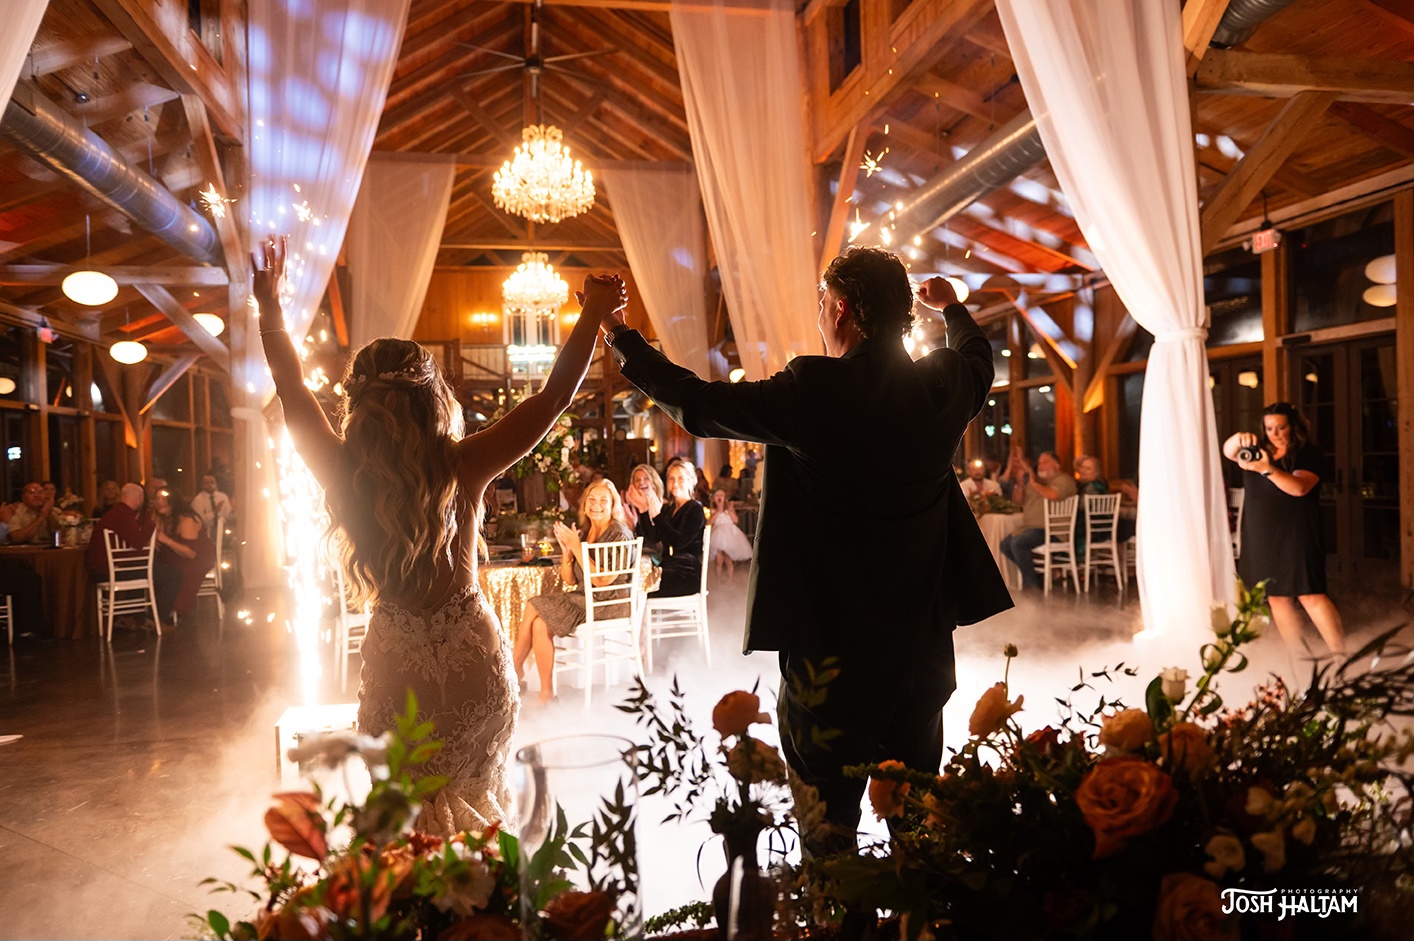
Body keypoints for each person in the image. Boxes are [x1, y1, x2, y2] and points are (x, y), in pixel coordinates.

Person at [600, 247, 1011, 855]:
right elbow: (979, 359)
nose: (821, 317)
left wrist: (619, 335)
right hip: (919, 652)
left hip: (829, 656)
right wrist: (952, 309)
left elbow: (702, 405)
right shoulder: (942, 383)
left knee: (828, 836)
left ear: (841, 309)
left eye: (823, 304)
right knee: (920, 836)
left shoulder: (815, 389)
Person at [255, 235, 624, 835]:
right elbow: (555, 396)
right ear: (434, 398)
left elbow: (291, 389)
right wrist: (593, 315)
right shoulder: (463, 464)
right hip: (473, 660)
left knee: (409, 835)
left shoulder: (341, 469)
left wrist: (269, 307)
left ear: (357, 404)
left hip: (395, 669)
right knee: (483, 824)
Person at [1223, 402, 1346, 657]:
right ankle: (1298, 657)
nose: (1275, 434)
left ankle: (1340, 655)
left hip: (1296, 534)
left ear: (1293, 427)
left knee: (1310, 594)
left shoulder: (1308, 453)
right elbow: (1228, 451)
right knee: (1276, 596)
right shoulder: (1257, 451)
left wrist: (1267, 469)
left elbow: (1299, 488)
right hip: (1261, 534)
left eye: (1281, 428)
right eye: (1269, 428)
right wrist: (1238, 439)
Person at [514, 479, 635, 704]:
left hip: (609, 602)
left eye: (603, 500)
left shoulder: (619, 534)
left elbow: (602, 580)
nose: (596, 504)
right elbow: (570, 580)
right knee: (539, 624)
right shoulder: (587, 532)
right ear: (585, 505)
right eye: (592, 499)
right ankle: (546, 694)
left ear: (613, 506)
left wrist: (577, 546)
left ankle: (515, 670)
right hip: (585, 599)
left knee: (532, 604)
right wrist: (568, 554)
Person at [999, 450, 1078, 590]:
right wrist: (1020, 485)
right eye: (1039, 463)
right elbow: (1018, 502)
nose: (1040, 466)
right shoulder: (1038, 482)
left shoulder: (1064, 480)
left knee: (1018, 543)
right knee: (1005, 545)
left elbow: (1053, 495)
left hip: (1053, 531)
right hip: (1032, 528)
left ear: (1057, 465)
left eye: (1045, 463)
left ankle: (1031, 585)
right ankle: (1036, 577)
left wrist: (1032, 482)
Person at [636, 457, 705, 597]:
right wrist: (643, 510)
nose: (675, 483)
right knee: (633, 579)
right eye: (671, 479)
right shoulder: (669, 509)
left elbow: (679, 542)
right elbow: (653, 538)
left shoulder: (694, 509)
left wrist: (657, 516)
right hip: (668, 566)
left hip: (686, 572)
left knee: (638, 586)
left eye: (680, 478)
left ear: (690, 481)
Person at [151, 489, 217, 626]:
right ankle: (155, 612)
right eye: (157, 498)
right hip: (176, 554)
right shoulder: (162, 519)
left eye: (164, 498)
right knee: (157, 567)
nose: (160, 502)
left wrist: (165, 540)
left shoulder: (186, 520)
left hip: (198, 558)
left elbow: (190, 553)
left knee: (175, 572)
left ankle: (167, 612)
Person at [87, 483, 156, 577]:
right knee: (167, 573)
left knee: (155, 568)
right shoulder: (124, 515)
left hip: (101, 567)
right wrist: (152, 523)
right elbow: (138, 542)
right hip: (108, 570)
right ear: (140, 498)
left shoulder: (117, 511)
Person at [707, 488, 753, 579]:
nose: (719, 497)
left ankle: (730, 579)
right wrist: (718, 510)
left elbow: (736, 520)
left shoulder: (729, 509)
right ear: (713, 499)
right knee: (719, 560)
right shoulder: (713, 511)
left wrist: (730, 510)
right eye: (717, 495)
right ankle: (718, 579)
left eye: (721, 495)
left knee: (729, 558)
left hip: (730, 536)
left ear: (725, 498)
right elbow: (710, 522)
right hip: (718, 536)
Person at [621, 462, 664, 536]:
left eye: (646, 478)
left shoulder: (664, 507)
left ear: (654, 482)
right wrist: (632, 528)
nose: (641, 482)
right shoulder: (632, 510)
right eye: (637, 480)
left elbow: (656, 538)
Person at [190, 474, 234, 539]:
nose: (210, 485)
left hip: (223, 530)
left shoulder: (223, 497)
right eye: (207, 483)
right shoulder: (198, 500)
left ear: (216, 484)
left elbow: (228, 514)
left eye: (212, 482)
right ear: (202, 485)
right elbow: (199, 520)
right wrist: (214, 512)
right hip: (205, 532)